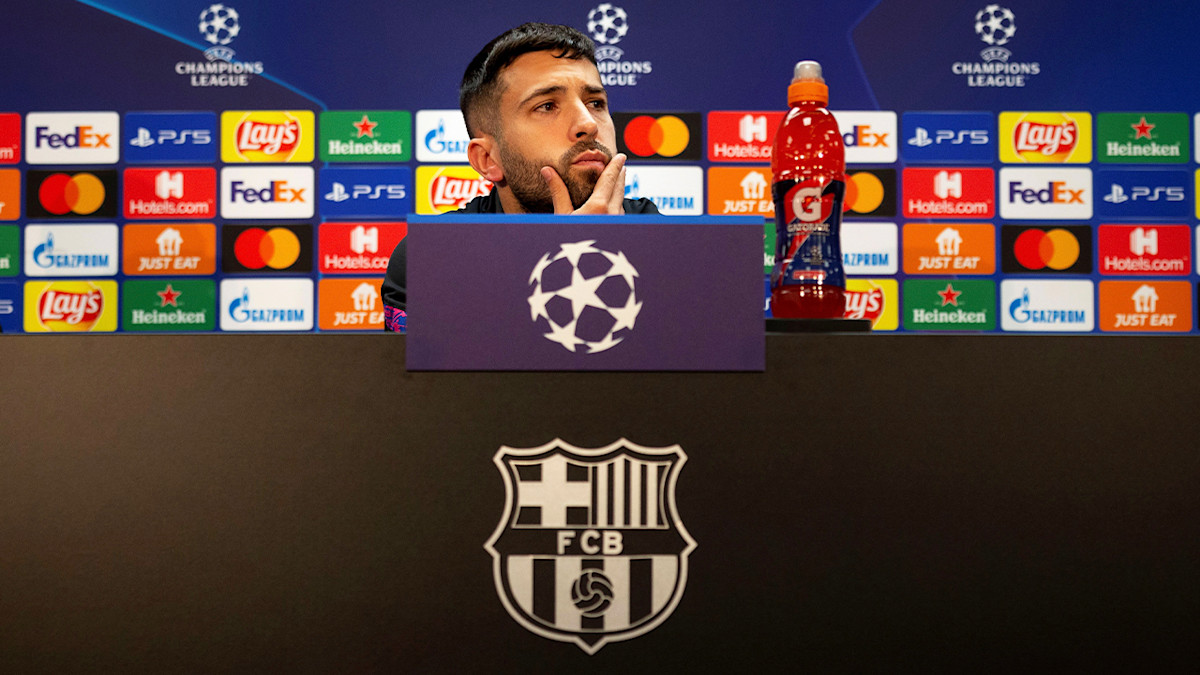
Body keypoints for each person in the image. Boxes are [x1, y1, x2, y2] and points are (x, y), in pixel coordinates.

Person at [381, 22, 659, 331]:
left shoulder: (661, 239)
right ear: (488, 159)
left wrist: (605, 253)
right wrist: (573, 263)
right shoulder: (431, 258)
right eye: (547, 106)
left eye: (595, 103)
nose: (588, 124)